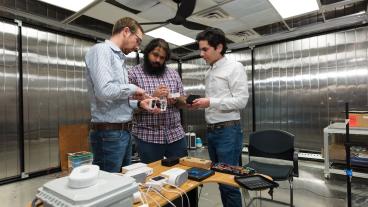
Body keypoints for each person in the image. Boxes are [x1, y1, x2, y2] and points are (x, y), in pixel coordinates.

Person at [85, 17, 159, 173]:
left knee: (122, 182)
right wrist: (133, 88)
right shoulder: (101, 50)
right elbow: (104, 91)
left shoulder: (120, 60)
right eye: (137, 40)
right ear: (126, 31)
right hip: (109, 134)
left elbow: (114, 100)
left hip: (122, 132)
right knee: (109, 187)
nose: (138, 47)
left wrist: (139, 104)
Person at [191, 28, 249, 207]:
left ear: (219, 47)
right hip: (212, 132)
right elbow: (214, 103)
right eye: (200, 49)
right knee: (219, 178)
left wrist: (210, 102)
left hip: (228, 133)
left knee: (228, 182)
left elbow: (241, 101)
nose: (201, 54)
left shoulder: (234, 67)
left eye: (205, 49)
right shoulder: (209, 72)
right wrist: (199, 104)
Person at [128, 38, 187, 163]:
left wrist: (175, 99)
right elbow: (128, 108)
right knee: (152, 177)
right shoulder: (133, 74)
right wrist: (153, 97)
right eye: (155, 55)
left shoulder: (173, 74)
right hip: (148, 138)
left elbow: (183, 101)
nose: (158, 60)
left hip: (175, 135)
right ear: (147, 52)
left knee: (182, 173)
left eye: (162, 58)